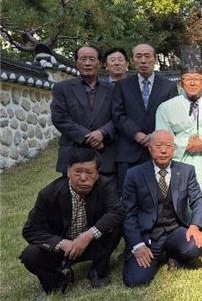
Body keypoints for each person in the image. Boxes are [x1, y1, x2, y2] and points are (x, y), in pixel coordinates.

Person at [20, 149, 123, 294]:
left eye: (89, 172)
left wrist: (88, 236)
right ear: (68, 171)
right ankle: (58, 280)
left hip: (91, 243)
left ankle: (97, 270)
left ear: (97, 173)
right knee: (30, 255)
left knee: (117, 225)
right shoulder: (48, 194)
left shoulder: (104, 186)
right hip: (62, 248)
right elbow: (30, 230)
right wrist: (61, 243)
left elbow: (117, 212)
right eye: (77, 172)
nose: (83, 178)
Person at [155, 46, 202, 229]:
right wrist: (185, 144)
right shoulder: (166, 108)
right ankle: (182, 231)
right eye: (188, 79)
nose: (192, 83)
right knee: (181, 197)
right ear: (181, 82)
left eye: (197, 79)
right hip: (182, 160)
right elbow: (162, 137)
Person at [121, 130, 202, 288]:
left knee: (194, 247)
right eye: (158, 146)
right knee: (136, 280)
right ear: (149, 148)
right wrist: (137, 245)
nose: (164, 150)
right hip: (148, 235)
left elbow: (198, 199)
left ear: (174, 149)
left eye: (168, 146)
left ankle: (173, 255)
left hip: (175, 229)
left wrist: (195, 226)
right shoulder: (134, 174)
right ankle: (159, 256)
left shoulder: (186, 170)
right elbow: (128, 214)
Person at [112, 43, 179, 192]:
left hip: (159, 151)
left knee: (159, 195)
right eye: (139, 56)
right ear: (132, 60)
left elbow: (173, 116)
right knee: (128, 196)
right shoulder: (122, 85)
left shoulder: (168, 87)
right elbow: (118, 115)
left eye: (147, 56)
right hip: (128, 151)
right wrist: (136, 134)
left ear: (154, 59)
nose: (143, 61)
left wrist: (155, 135)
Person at [51, 46, 117, 177]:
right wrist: (89, 137)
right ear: (76, 63)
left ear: (99, 63)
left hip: (105, 152)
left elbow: (119, 116)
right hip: (73, 152)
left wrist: (103, 132)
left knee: (107, 189)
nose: (87, 63)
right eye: (83, 59)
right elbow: (59, 118)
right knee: (74, 190)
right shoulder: (62, 88)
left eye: (92, 59)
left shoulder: (113, 89)